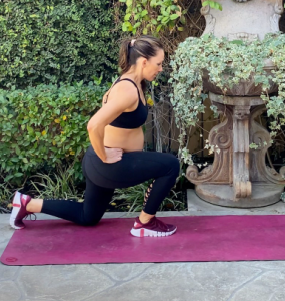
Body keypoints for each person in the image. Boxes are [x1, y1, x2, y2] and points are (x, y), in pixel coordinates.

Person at [9, 35, 181, 237]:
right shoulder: (127, 89)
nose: (160, 68)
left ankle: (26, 204)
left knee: (87, 216)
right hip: (110, 164)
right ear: (144, 62)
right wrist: (104, 156)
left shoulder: (133, 82)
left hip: (101, 165)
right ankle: (145, 223)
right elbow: (94, 125)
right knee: (171, 165)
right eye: (158, 63)